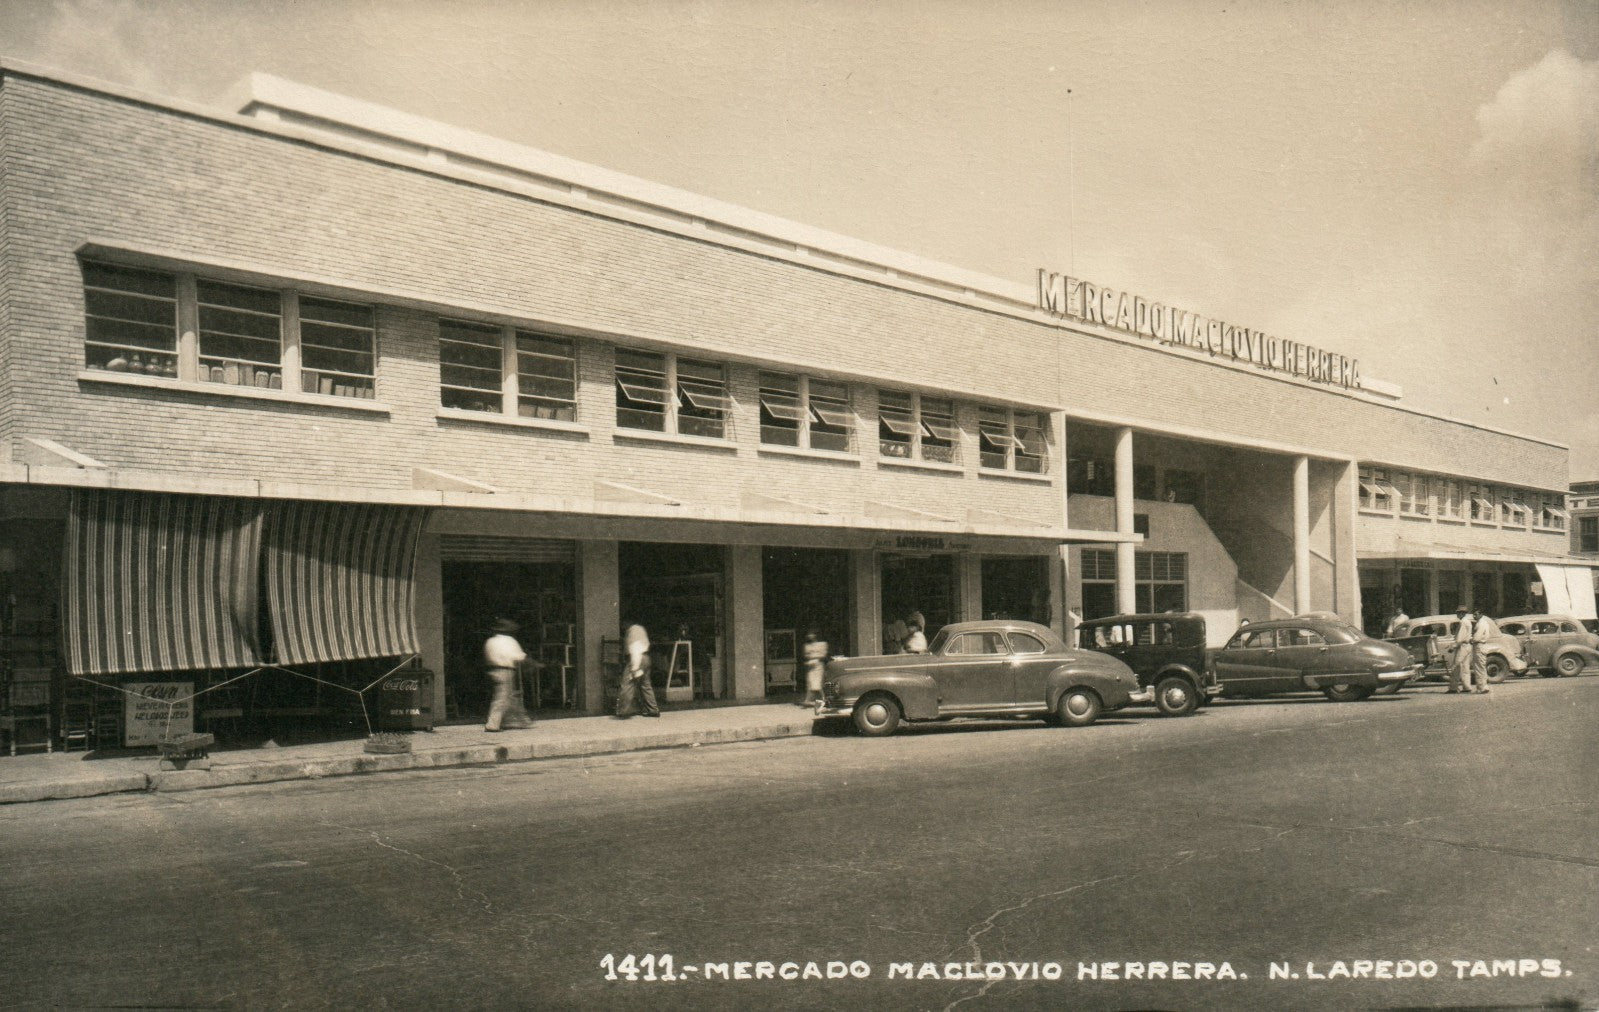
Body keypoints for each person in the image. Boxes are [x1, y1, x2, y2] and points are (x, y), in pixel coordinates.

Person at [483, 618, 534, 732]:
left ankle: (514, 720)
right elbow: (518, 656)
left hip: (493, 670)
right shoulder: (509, 641)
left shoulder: (490, 641)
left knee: (508, 696)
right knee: (502, 698)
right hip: (505, 670)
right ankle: (493, 724)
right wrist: (530, 662)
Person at [615, 622, 660, 719]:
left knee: (627, 684)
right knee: (645, 684)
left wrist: (635, 668)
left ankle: (624, 711)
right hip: (646, 658)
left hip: (637, 658)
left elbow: (635, 647)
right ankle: (653, 710)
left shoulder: (632, 631)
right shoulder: (641, 629)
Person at [1469, 606, 1496, 694]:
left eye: (1476, 614)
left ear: (1481, 614)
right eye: (1473, 614)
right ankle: (1483, 686)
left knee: (1479, 667)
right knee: (1481, 667)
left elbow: (1477, 636)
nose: (1474, 616)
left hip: (1479, 645)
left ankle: (1482, 687)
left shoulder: (1481, 623)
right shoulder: (1482, 622)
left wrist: (1471, 639)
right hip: (1481, 645)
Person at [799, 628, 828, 706]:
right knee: (810, 682)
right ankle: (808, 700)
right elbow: (805, 655)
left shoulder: (822, 644)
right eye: (809, 634)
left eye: (812, 634)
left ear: (816, 635)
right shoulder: (807, 646)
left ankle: (824, 698)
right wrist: (811, 657)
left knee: (818, 683)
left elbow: (823, 655)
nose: (810, 636)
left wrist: (814, 656)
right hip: (810, 665)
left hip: (818, 665)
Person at [1447, 605, 1473, 694]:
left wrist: (1453, 647)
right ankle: (1467, 687)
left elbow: (1459, 638)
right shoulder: (1468, 622)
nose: (1457, 614)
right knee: (1465, 668)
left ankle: (1453, 688)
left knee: (1456, 666)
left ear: (1462, 613)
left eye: (1458, 612)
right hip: (1468, 645)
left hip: (1462, 646)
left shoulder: (1463, 622)